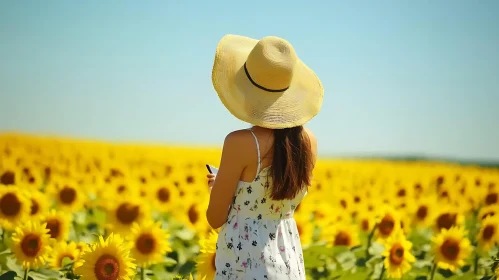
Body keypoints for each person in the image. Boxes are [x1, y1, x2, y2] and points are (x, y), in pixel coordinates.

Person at [206, 34, 324, 280]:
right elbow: (285, 202)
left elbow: (215, 218)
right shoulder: (308, 142)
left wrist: (219, 189)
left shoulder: (240, 143)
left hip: (245, 268)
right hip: (288, 261)